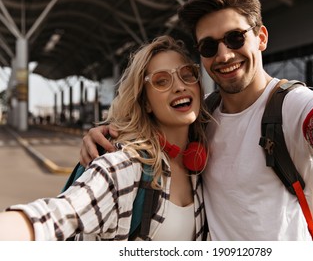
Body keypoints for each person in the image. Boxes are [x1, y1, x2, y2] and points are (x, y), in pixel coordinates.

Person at [79, 0, 313, 241]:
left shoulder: (292, 106)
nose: (224, 55)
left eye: (235, 38)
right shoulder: (203, 117)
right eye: (209, 46)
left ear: (261, 38)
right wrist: (107, 132)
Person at [0, 35, 210, 241]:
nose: (180, 86)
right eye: (161, 81)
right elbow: (59, 215)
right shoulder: (124, 166)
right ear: (145, 102)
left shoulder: (203, 164)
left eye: (187, 74)